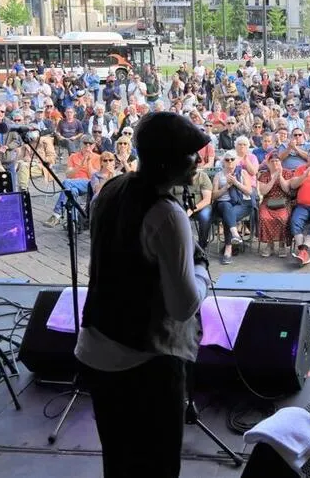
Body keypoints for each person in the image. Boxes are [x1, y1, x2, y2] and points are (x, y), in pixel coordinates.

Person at [76, 111, 211, 478]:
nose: (198, 161)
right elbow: (182, 307)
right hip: (145, 361)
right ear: (167, 161)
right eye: (190, 155)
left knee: (118, 461)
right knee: (158, 465)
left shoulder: (111, 188)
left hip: (96, 348)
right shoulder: (167, 214)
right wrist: (201, 272)